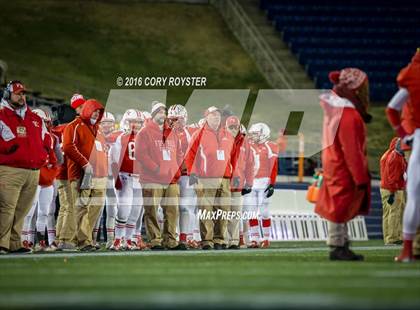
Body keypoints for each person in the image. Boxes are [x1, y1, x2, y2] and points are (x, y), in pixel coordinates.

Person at [315, 68, 372, 261]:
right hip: (343, 167)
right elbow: (351, 150)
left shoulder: (335, 111)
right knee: (340, 206)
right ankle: (338, 245)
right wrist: (360, 176)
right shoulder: (348, 114)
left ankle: (341, 244)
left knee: (339, 206)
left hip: (334, 163)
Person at [0, 81, 49, 254]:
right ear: (8, 95)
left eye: (23, 93)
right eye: (17, 93)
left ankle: (14, 243)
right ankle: (2, 243)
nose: (21, 96)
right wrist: (9, 150)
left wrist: (43, 155)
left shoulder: (34, 118)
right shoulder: (1, 114)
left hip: (33, 171)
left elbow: (46, 140)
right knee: (7, 207)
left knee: (22, 209)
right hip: (9, 169)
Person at [135, 102, 185, 250]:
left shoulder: (172, 133)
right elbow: (140, 154)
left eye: (164, 112)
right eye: (159, 112)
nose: (162, 115)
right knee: (151, 210)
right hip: (152, 179)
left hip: (171, 179)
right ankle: (155, 240)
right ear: (153, 115)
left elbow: (179, 153)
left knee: (172, 211)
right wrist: (156, 169)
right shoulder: (144, 132)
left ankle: (170, 240)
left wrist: (177, 170)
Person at [386, 48, 420, 262]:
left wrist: (403, 135)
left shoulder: (412, 75)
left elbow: (391, 108)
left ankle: (408, 250)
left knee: (415, 198)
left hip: (418, 136)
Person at [186, 106, 234, 250]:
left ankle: (219, 239)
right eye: (213, 115)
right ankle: (207, 240)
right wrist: (193, 175)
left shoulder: (228, 134)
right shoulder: (198, 134)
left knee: (223, 210)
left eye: (218, 115)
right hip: (205, 178)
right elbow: (190, 156)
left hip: (224, 178)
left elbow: (234, 156)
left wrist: (233, 174)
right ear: (206, 117)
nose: (216, 117)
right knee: (206, 210)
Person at [62, 99, 108, 251]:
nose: (96, 114)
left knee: (96, 207)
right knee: (81, 207)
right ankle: (84, 241)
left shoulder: (98, 129)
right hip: (82, 173)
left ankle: (85, 238)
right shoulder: (74, 126)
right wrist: (84, 163)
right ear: (87, 110)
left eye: (98, 112)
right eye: (94, 111)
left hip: (99, 175)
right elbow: (68, 147)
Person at [109, 109, 145, 250]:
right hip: (125, 177)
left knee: (135, 211)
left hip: (140, 180)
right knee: (124, 209)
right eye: (132, 122)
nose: (135, 125)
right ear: (126, 122)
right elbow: (114, 160)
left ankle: (129, 240)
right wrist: (116, 177)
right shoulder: (121, 137)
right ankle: (118, 239)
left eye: (138, 122)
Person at [54, 93, 86, 251]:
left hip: (58, 172)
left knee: (64, 206)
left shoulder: (56, 129)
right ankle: (66, 239)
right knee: (71, 206)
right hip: (68, 172)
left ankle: (58, 237)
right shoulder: (71, 127)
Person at [167, 104, 200, 249]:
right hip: (170, 176)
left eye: (178, 119)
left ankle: (185, 237)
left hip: (186, 175)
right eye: (172, 119)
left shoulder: (191, 132)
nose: (175, 122)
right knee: (168, 208)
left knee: (186, 207)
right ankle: (169, 237)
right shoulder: (164, 133)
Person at [246, 122, 278, 248]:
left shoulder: (271, 146)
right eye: (252, 134)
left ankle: (266, 238)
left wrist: (272, 184)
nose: (253, 136)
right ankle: (254, 238)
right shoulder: (249, 146)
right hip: (252, 182)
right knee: (251, 212)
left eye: (256, 134)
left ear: (263, 133)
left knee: (264, 211)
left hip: (264, 181)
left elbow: (274, 166)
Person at [225, 116, 254, 249]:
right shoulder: (222, 140)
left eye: (235, 127)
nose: (233, 130)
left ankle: (234, 241)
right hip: (224, 182)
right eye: (230, 127)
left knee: (235, 213)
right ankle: (223, 240)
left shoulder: (245, 143)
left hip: (238, 183)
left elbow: (249, 164)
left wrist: (250, 182)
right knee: (222, 213)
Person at [380, 138, 407, 245]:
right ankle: (392, 238)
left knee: (389, 213)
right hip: (393, 189)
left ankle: (391, 237)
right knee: (394, 213)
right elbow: (392, 177)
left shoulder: (388, 154)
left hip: (387, 187)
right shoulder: (395, 157)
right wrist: (392, 192)